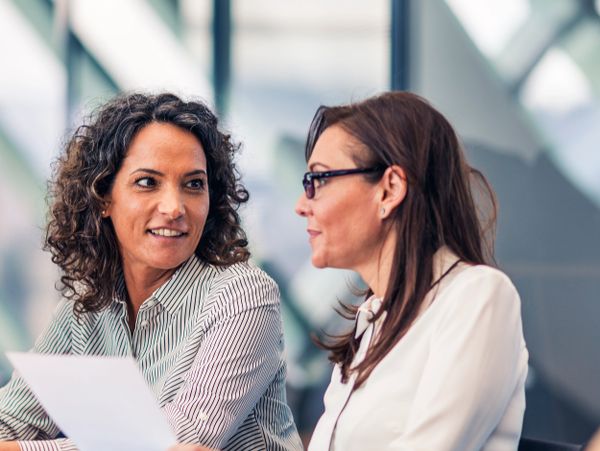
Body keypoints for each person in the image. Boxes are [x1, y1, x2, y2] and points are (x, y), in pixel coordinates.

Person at [0, 93, 302, 451]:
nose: (174, 208)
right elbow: (10, 419)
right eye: (148, 182)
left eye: (194, 184)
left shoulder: (243, 296)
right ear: (103, 197)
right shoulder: (85, 307)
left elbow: (173, 444)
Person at [295, 91, 529, 450]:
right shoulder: (372, 319)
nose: (302, 205)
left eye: (319, 180)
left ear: (389, 189)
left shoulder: (478, 296)